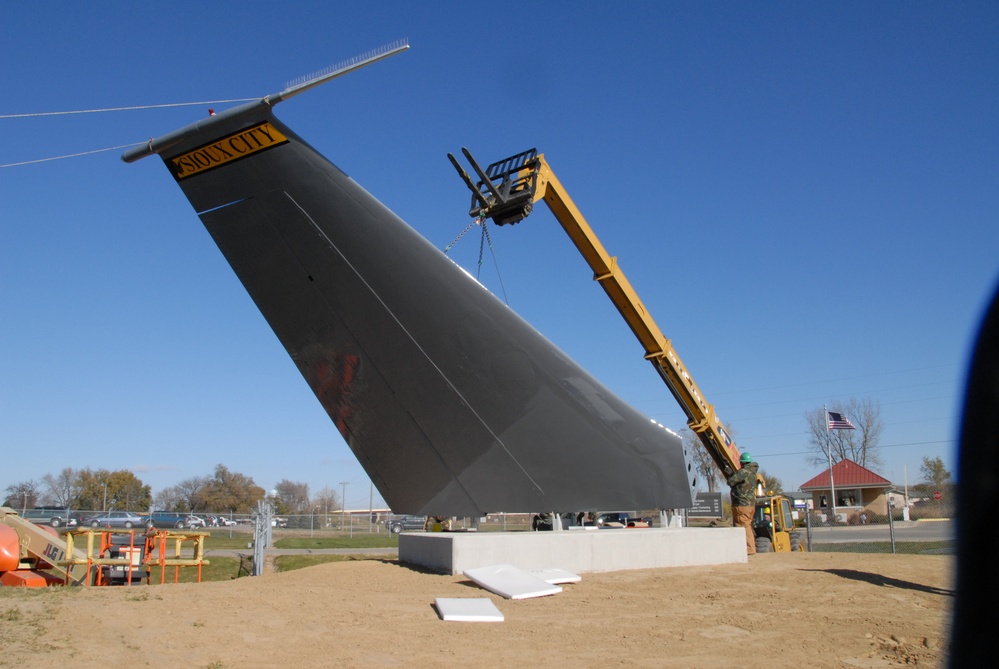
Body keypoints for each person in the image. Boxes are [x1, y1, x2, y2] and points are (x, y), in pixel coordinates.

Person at [727, 452, 760, 555]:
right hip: (750, 505)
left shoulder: (744, 472)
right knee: (746, 526)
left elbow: (731, 482)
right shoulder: (753, 474)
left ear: (742, 463)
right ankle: (746, 548)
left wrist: (730, 474)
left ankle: (750, 549)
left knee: (744, 527)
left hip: (742, 504)